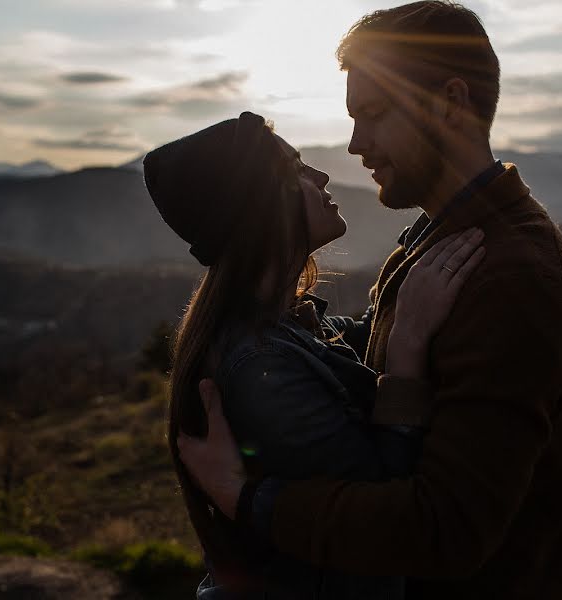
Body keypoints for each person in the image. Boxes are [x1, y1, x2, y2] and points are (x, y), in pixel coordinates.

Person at [177, 2, 562, 599]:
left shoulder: (513, 277)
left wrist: (247, 498)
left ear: (451, 100)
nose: (353, 144)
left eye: (372, 115)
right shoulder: (440, 234)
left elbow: (443, 532)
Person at [142, 111, 485, 598]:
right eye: (298, 169)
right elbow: (383, 507)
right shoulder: (262, 365)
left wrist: (433, 224)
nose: (321, 175)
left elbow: (359, 340)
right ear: (262, 205)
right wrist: (407, 348)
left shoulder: (289, 324)